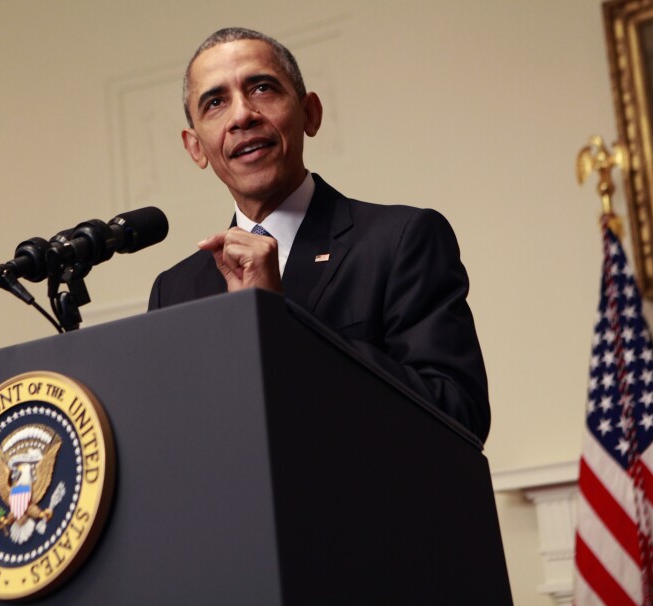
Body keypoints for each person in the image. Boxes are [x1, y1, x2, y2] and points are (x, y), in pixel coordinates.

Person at [148, 27, 490, 443]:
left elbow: (459, 412)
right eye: (216, 102)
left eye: (261, 88)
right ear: (195, 147)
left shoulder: (402, 240)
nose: (242, 115)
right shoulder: (175, 291)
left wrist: (283, 326)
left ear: (310, 114)